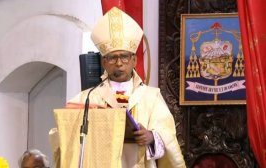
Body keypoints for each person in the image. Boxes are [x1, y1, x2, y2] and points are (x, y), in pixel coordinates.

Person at [50, 7, 186, 168]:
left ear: (134, 60)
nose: (119, 63)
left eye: (124, 56)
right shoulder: (87, 98)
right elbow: (61, 133)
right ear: (103, 62)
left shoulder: (151, 97)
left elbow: (168, 137)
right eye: (112, 57)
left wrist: (151, 137)